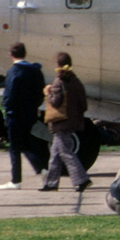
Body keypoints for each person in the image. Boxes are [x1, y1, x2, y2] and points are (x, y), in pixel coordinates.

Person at [39, 51, 91, 193]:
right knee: (55, 155)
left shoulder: (58, 82)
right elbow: (84, 105)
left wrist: (47, 93)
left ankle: (82, 180)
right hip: (72, 122)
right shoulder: (76, 81)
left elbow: (55, 102)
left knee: (66, 153)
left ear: (58, 65)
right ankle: (51, 183)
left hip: (61, 122)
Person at [0, 43, 48, 189]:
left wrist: (7, 108)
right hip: (30, 113)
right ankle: (41, 168)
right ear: (25, 53)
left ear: (11, 55)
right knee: (26, 144)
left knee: (15, 147)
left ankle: (16, 180)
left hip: (15, 115)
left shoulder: (13, 71)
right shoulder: (35, 71)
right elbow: (40, 92)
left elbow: (10, 93)